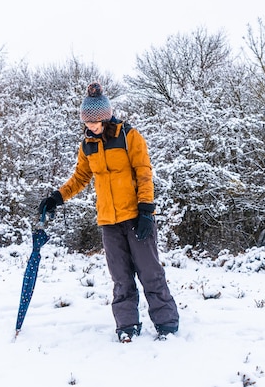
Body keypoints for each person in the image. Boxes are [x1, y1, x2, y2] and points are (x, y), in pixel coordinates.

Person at [39, 82, 179, 342]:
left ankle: (167, 324)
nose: (90, 126)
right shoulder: (88, 145)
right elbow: (80, 177)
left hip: (136, 217)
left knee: (150, 274)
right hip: (108, 222)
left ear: (105, 117)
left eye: (95, 122)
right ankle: (126, 327)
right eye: (87, 122)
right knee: (121, 278)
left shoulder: (129, 136)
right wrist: (56, 198)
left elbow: (143, 172)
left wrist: (147, 210)